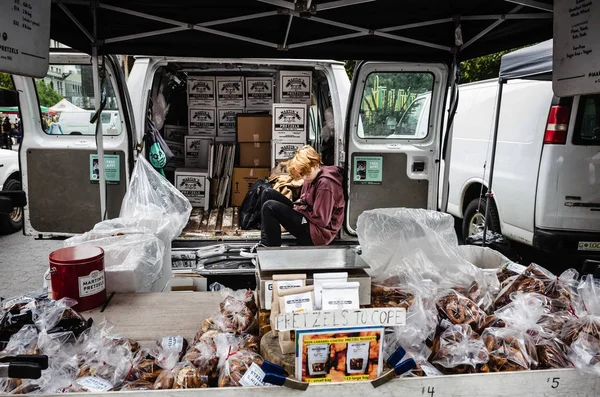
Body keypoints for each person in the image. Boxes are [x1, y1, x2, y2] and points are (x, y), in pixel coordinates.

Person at [240, 145, 345, 257]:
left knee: (269, 207)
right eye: (301, 174)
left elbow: (321, 220)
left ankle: (269, 248)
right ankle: (267, 240)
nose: (303, 177)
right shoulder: (311, 176)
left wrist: (299, 211)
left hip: (318, 233)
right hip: (308, 218)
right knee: (268, 193)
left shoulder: (325, 184)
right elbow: (305, 199)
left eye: (306, 173)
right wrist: (298, 206)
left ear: (316, 165)